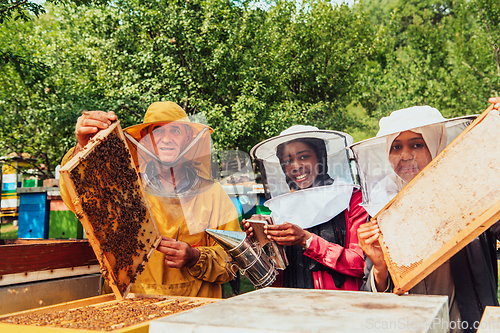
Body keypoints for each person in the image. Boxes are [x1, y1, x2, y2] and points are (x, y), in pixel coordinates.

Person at [60, 101, 241, 298]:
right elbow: (78, 199)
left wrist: (195, 257)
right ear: (145, 139)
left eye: (176, 131)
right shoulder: (123, 185)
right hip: (131, 304)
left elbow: (233, 261)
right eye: (157, 132)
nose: (166, 139)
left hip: (193, 310)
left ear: (189, 138)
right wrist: (82, 148)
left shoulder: (212, 193)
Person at [354, 104, 500, 333]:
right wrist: (380, 267)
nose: (404, 155)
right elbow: (373, 293)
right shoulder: (382, 211)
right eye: (396, 147)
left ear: (437, 144)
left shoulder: (471, 193)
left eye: (417, 144)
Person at [244, 125, 369, 290]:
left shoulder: (351, 198)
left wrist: (307, 240)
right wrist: (259, 241)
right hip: (291, 305)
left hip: (340, 304)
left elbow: (361, 264)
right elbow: (273, 275)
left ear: (320, 158)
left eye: (303, 157)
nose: (295, 166)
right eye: (288, 161)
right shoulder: (282, 206)